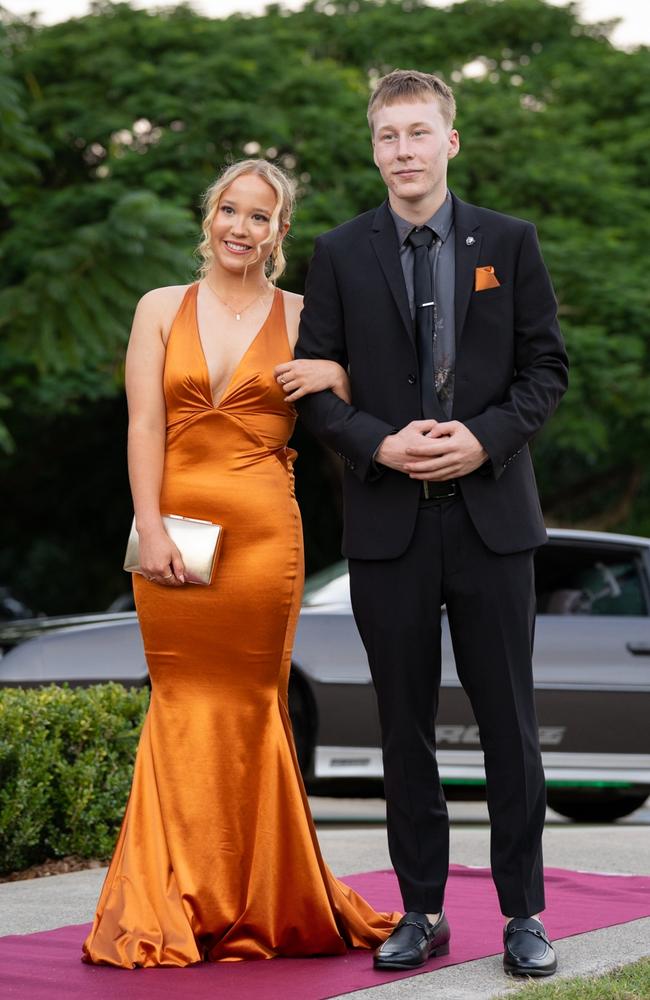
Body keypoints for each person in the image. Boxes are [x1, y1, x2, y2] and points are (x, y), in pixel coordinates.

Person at [276, 70, 568, 979]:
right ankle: (424, 910)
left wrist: (481, 441)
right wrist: (380, 445)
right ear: (375, 150)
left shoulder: (511, 244)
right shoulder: (339, 252)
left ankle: (524, 917)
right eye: (387, 137)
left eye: (417, 133)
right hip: (389, 525)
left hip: (491, 522)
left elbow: (545, 373)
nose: (402, 151)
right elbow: (313, 385)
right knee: (403, 727)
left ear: (450, 140)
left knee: (508, 726)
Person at [81, 158, 399, 968]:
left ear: (279, 233)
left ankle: (262, 901)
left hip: (263, 541)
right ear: (210, 215)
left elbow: (368, 398)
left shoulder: (302, 315)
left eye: (261, 216)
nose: (241, 227)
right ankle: (172, 898)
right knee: (181, 703)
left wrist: (334, 370)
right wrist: (148, 527)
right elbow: (143, 427)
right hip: (173, 533)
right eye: (231, 209)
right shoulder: (160, 307)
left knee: (254, 706)